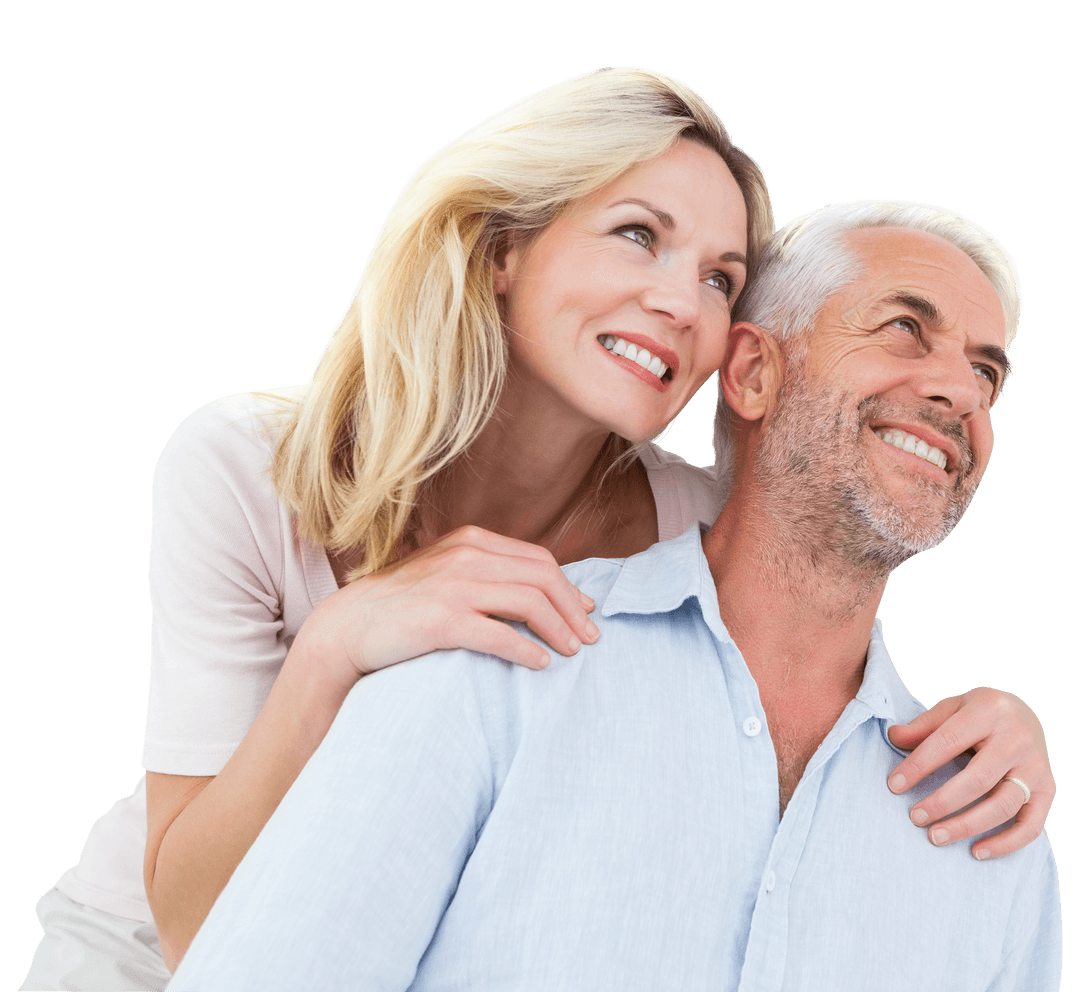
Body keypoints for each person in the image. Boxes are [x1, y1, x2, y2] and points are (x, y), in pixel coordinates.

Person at [20, 70, 1054, 991]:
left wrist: (1000, 722)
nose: (681, 303)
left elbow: (814, 588)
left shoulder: (681, 523)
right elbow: (198, 930)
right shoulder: (247, 465)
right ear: (504, 245)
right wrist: (338, 643)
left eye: (719, 278)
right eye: (640, 235)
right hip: (142, 943)